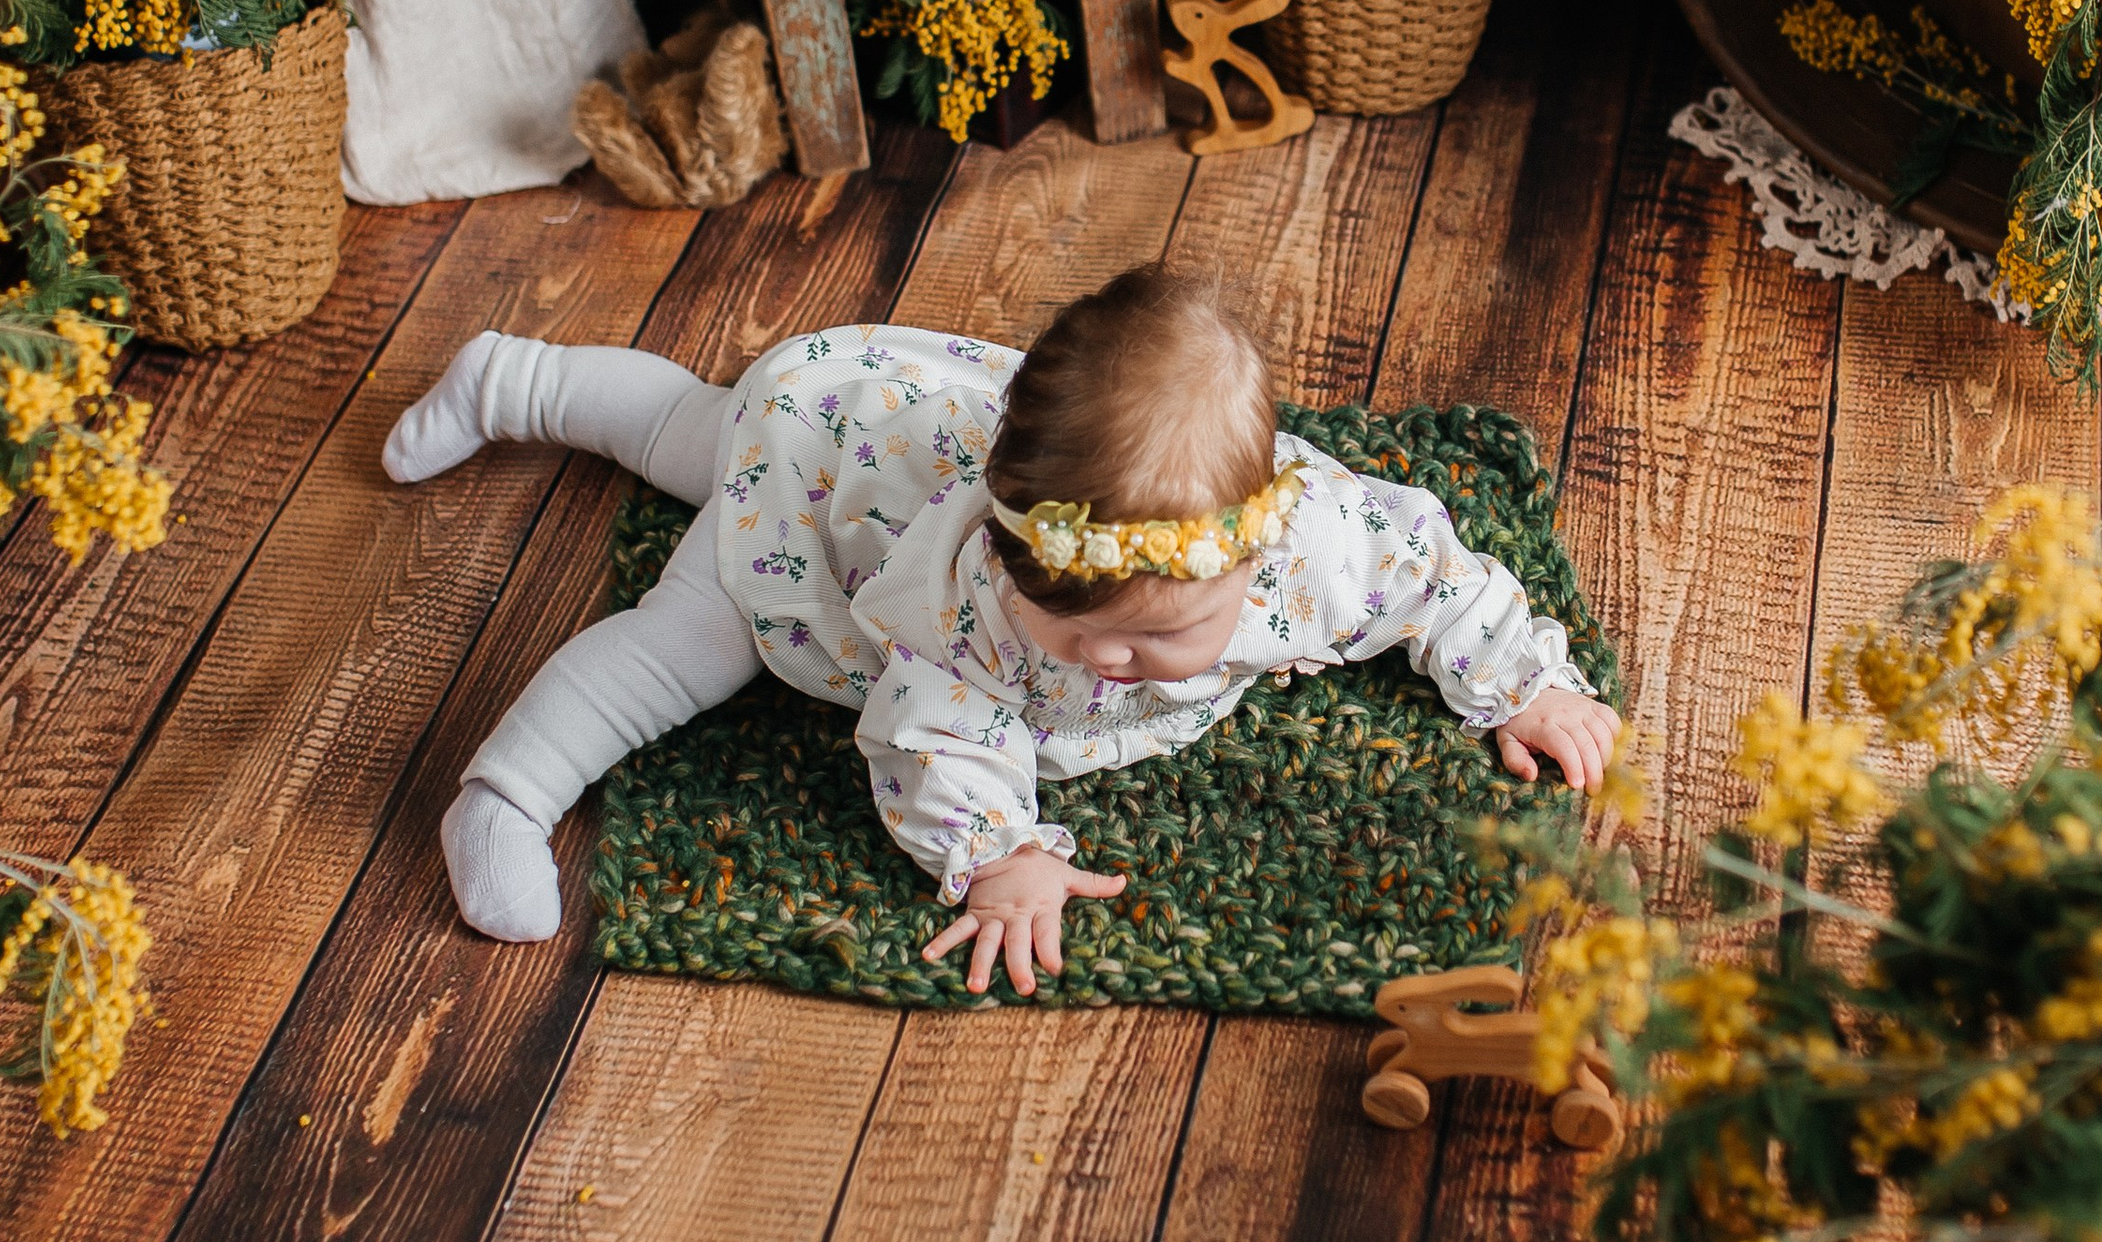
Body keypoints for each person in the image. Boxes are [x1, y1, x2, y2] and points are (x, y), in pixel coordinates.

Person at [384, 264, 1621, 992]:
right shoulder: (966, 591)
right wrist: (996, 851)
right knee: (687, 605)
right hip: (822, 491)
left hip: (876, 416)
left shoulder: (1314, 544)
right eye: (1071, 623)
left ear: (1251, 555)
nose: (1102, 661)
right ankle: (502, 788)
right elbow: (933, 729)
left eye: (1149, 639)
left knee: (690, 430)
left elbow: (1434, 568)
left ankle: (516, 375)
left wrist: (1517, 681)